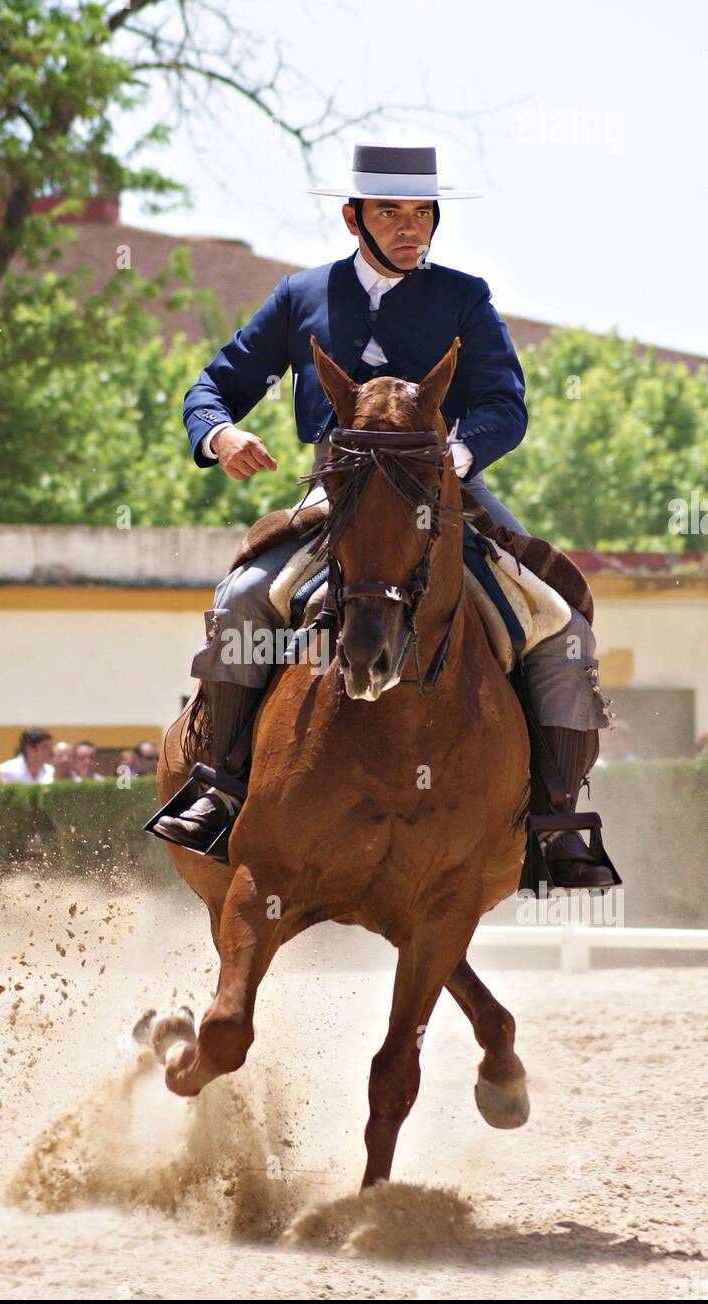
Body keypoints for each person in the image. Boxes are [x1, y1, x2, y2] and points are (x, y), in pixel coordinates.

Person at [153, 144, 614, 889]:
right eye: (392, 212)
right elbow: (217, 383)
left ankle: (554, 822)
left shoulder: (464, 296)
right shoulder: (301, 294)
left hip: (442, 483)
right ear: (352, 217)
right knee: (242, 601)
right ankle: (220, 785)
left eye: (423, 212)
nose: (412, 226)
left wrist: (456, 461)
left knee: (558, 623)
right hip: (339, 493)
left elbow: (505, 405)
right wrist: (219, 432)